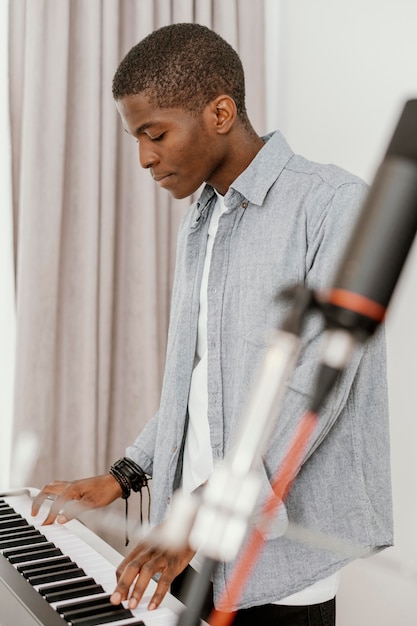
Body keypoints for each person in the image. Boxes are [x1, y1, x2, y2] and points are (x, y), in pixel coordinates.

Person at [32, 23, 393, 626]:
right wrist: (126, 475)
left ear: (220, 112)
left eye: (155, 133)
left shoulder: (334, 203)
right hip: (191, 544)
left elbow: (312, 392)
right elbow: (196, 376)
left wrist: (201, 513)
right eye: (137, 138)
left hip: (277, 564)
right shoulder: (202, 219)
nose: (145, 157)